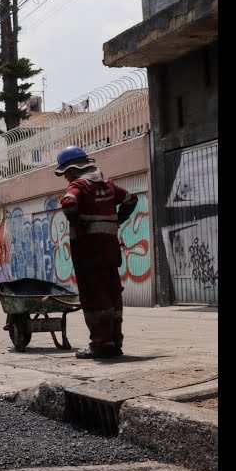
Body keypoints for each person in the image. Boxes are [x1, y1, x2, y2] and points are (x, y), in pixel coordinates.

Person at [54, 146, 139, 359]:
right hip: (110, 249)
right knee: (111, 293)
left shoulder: (78, 185)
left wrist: (78, 222)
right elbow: (131, 199)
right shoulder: (107, 185)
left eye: (65, 172)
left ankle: (100, 345)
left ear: (73, 169)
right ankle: (114, 342)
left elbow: (69, 203)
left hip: (88, 249)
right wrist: (118, 219)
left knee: (93, 295)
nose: (65, 177)